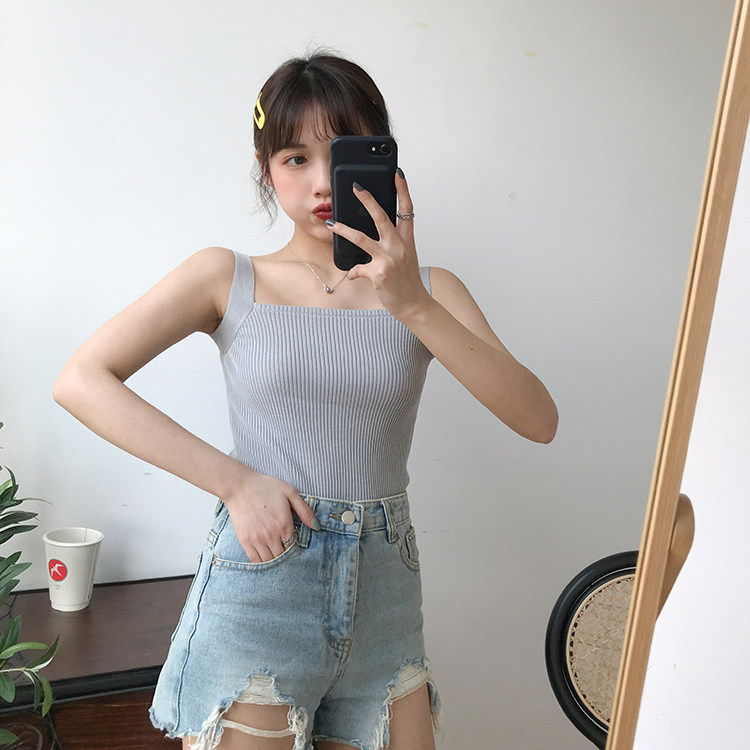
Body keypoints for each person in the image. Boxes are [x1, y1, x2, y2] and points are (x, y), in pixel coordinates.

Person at [53, 51, 558, 750]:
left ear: (384, 164)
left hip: (386, 599)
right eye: (295, 158)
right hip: (263, 581)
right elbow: (82, 380)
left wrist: (411, 303)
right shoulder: (227, 276)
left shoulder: (432, 293)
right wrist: (235, 482)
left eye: (341, 155)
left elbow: (538, 419)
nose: (321, 182)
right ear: (267, 170)